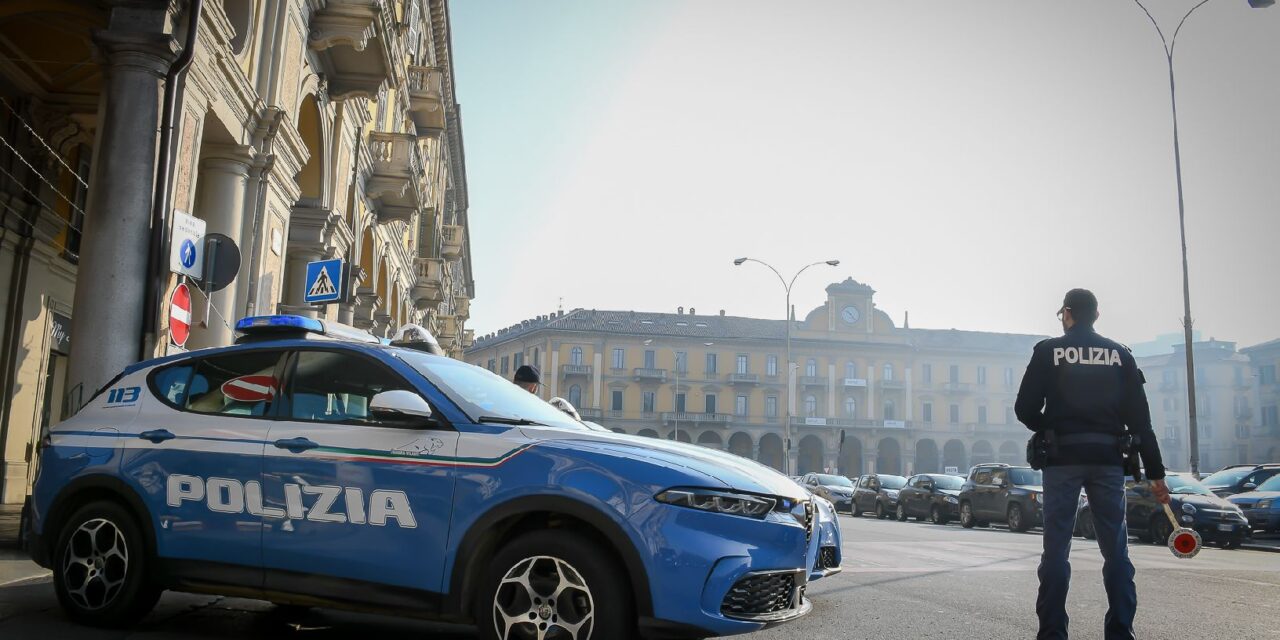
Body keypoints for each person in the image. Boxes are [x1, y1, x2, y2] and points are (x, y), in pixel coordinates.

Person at [1015, 288, 1170, 640]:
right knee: (1116, 550)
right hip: (1108, 460)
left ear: (1067, 314)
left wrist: (1051, 427)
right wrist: (1157, 476)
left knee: (1056, 549)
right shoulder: (1121, 355)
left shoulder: (1047, 351)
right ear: (1096, 316)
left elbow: (1024, 409)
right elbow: (1142, 423)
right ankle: (1120, 632)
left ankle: (1053, 633)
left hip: (1062, 458)